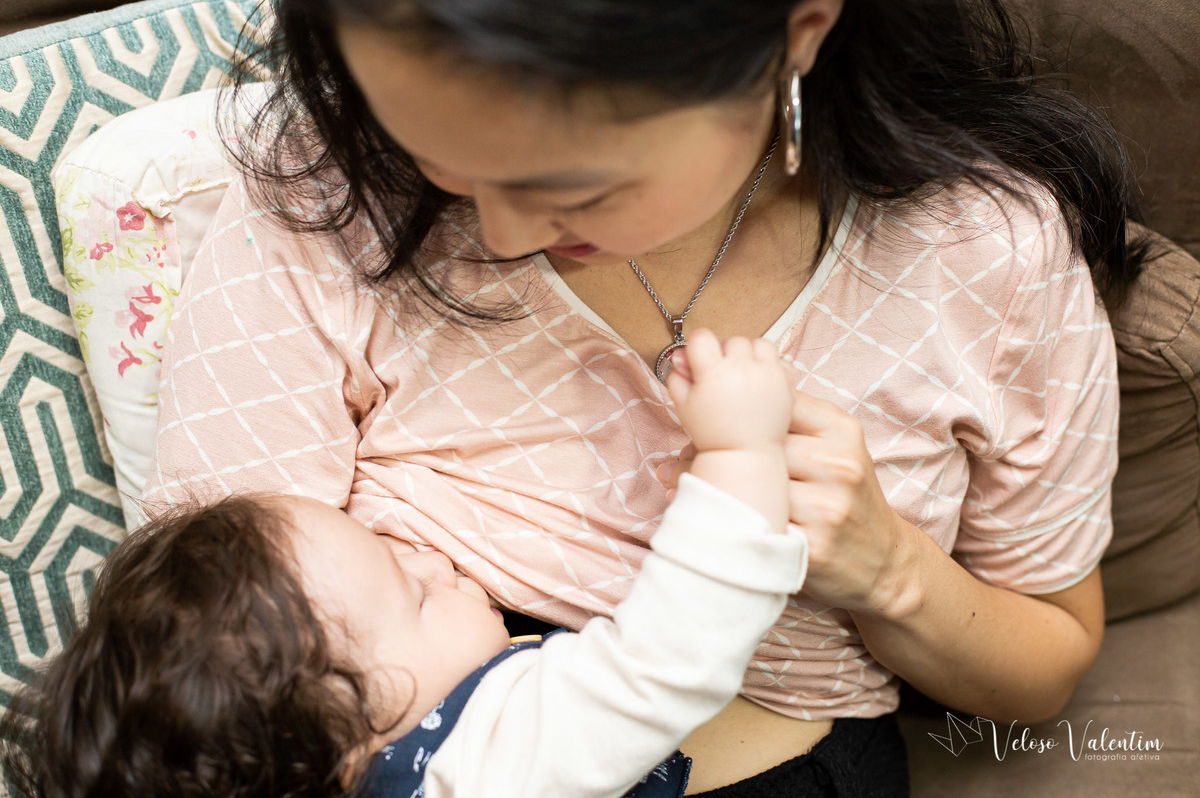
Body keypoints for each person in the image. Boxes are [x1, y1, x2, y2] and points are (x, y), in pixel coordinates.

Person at [144, 0, 1144, 794]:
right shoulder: (324, 185)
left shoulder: (983, 252)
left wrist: (892, 575)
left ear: (795, 32)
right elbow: (225, 664)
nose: (498, 236)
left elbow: (1043, 665)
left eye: (576, 187)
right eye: (440, 165)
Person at [3, 333, 808, 798]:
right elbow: (673, 654)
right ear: (356, 745)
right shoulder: (485, 766)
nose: (433, 560)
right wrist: (742, 451)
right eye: (414, 594)